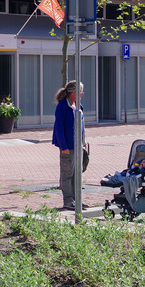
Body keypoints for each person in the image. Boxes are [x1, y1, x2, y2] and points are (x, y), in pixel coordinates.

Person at [51, 80, 86, 211]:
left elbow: (82, 127)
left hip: (78, 147)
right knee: (67, 175)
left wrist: (84, 143)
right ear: (73, 92)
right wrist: (63, 147)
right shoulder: (62, 106)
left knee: (77, 174)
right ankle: (68, 201)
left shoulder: (79, 106)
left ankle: (78, 200)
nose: (82, 93)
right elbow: (59, 128)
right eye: (80, 91)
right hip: (68, 148)